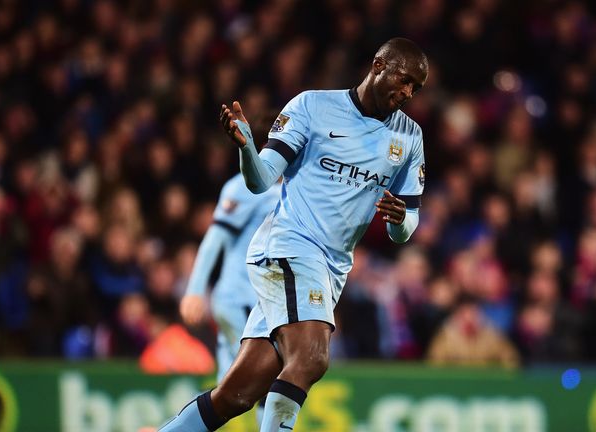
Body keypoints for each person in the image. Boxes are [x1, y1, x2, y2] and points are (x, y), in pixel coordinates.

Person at [159, 37, 428, 432]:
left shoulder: (409, 137)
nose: (407, 93)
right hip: (289, 246)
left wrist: (400, 218)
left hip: (331, 268)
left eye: (415, 88)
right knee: (313, 356)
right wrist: (247, 148)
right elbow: (261, 179)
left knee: (236, 396)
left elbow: (405, 229)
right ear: (378, 65)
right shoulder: (313, 107)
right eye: (404, 80)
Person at [179, 140, 280, 378]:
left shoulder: (291, 190)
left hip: (253, 301)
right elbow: (215, 239)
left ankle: (197, 415)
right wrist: (194, 290)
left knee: (229, 385)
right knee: (265, 378)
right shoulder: (246, 186)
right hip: (242, 298)